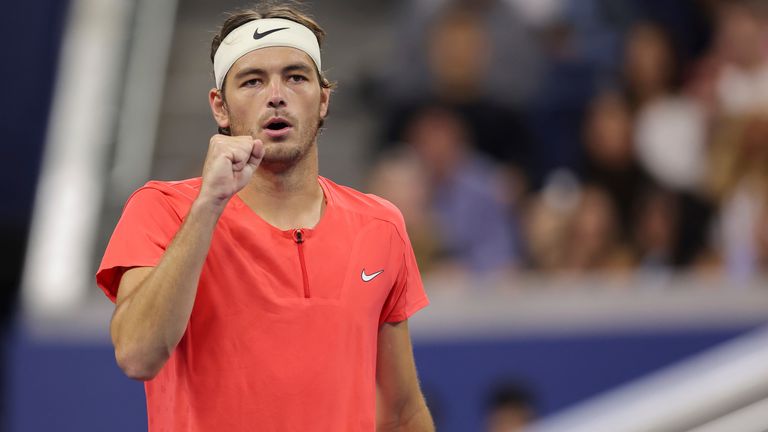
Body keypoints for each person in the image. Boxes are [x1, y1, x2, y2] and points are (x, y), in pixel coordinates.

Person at [95, 4, 434, 431]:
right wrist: (207, 207)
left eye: (295, 77)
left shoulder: (381, 224)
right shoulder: (163, 209)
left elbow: (401, 413)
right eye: (252, 81)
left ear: (324, 98)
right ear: (220, 107)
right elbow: (138, 354)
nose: (276, 94)